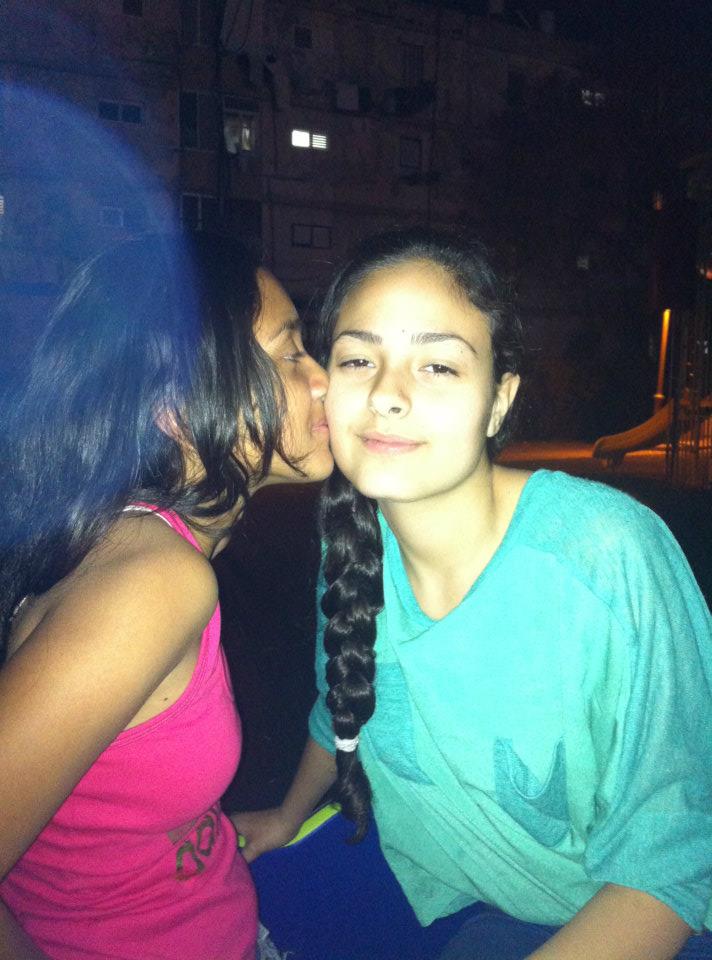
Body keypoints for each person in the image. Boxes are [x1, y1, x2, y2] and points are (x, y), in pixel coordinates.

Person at [236, 228, 712, 960]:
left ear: (498, 400)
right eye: (359, 358)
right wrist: (287, 815)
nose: (388, 394)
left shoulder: (604, 553)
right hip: (459, 899)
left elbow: (675, 856)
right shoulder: (353, 541)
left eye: (437, 365)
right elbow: (342, 705)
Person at [0, 232, 333, 960]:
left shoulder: (144, 543)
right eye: (288, 353)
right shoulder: (154, 583)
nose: (324, 379)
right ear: (177, 407)